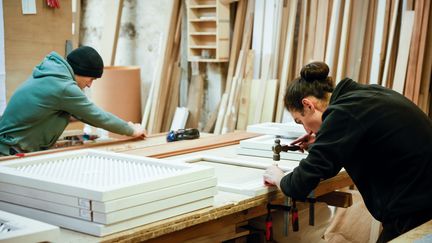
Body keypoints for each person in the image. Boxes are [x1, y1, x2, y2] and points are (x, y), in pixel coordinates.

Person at [263, 62, 432, 242]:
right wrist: (319, 143)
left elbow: (300, 184)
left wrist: (279, 177)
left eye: (300, 121)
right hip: (422, 197)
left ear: (308, 105)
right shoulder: (359, 96)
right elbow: (358, 138)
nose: (306, 130)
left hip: (417, 210)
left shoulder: (343, 113)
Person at [0, 46, 146, 155]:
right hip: (10, 153)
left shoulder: (51, 73)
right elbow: (96, 115)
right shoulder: (63, 87)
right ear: (81, 71)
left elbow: (78, 113)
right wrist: (131, 130)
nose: (89, 84)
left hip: (8, 145)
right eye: (91, 79)